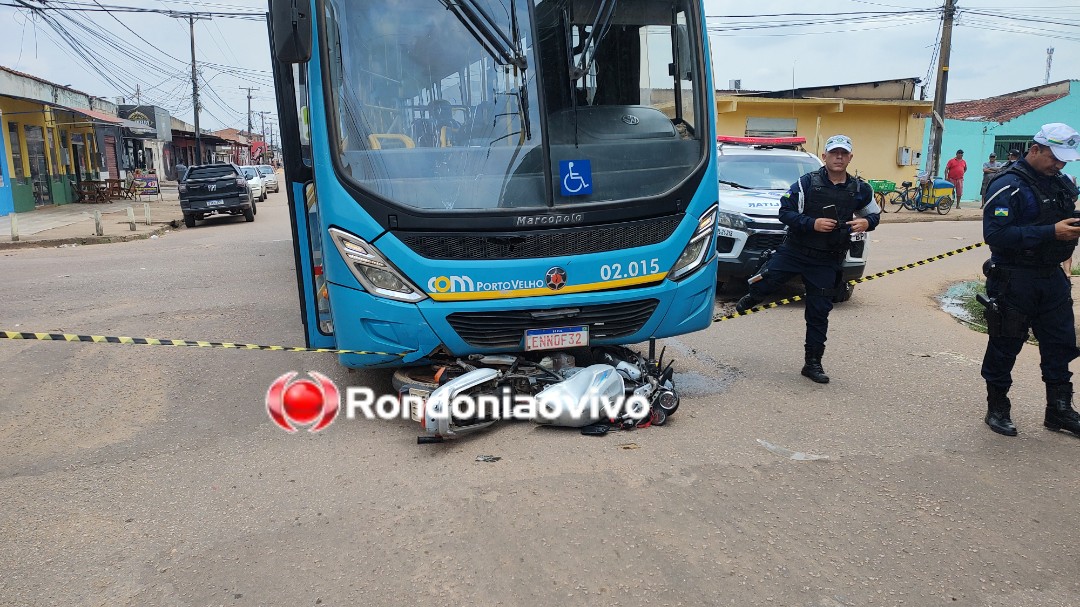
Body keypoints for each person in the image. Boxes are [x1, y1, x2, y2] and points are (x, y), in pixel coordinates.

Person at [735, 134, 880, 383]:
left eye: (844, 153)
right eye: (834, 153)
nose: (839, 157)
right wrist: (812, 223)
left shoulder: (860, 189)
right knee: (766, 281)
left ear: (850, 158)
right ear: (824, 157)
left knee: (818, 313)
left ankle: (812, 364)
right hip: (795, 251)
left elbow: (874, 216)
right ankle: (754, 296)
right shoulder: (806, 183)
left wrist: (867, 222)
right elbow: (785, 212)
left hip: (827, 259)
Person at [979, 122, 1080, 438]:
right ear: (1035, 150)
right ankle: (997, 408)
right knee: (1005, 344)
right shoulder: (1007, 184)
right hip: (1014, 278)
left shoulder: (1060, 182)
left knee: (1060, 344)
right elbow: (995, 234)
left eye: (1064, 160)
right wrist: (1051, 232)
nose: (1059, 164)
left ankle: (1059, 410)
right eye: (1055, 157)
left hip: (1052, 279)